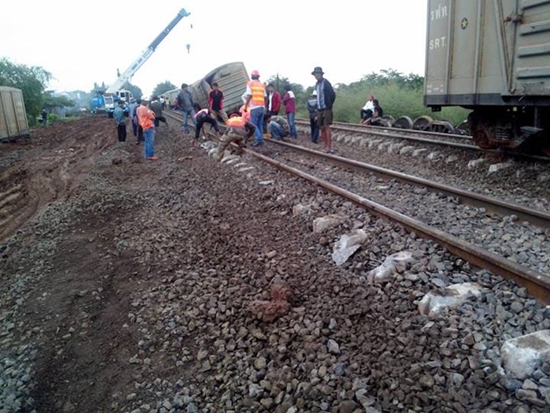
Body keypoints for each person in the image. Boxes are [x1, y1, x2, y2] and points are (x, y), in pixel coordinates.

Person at [312, 66, 336, 153]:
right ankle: (324, 146)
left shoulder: (326, 83)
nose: (316, 75)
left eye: (318, 73)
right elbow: (316, 97)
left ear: (321, 74)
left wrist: (329, 105)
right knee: (321, 127)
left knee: (327, 126)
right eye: (315, 74)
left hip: (326, 108)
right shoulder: (316, 84)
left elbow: (332, 95)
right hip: (319, 108)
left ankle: (329, 146)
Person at [243, 69, 266, 147]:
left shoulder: (250, 84)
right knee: (259, 125)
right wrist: (264, 106)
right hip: (262, 107)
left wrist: (246, 106)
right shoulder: (262, 85)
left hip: (254, 107)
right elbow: (265, 96)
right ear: (258, 76)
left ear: (252, 76)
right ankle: (260, 139)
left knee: (253, 125)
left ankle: (259, 140)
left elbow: (249, 95)